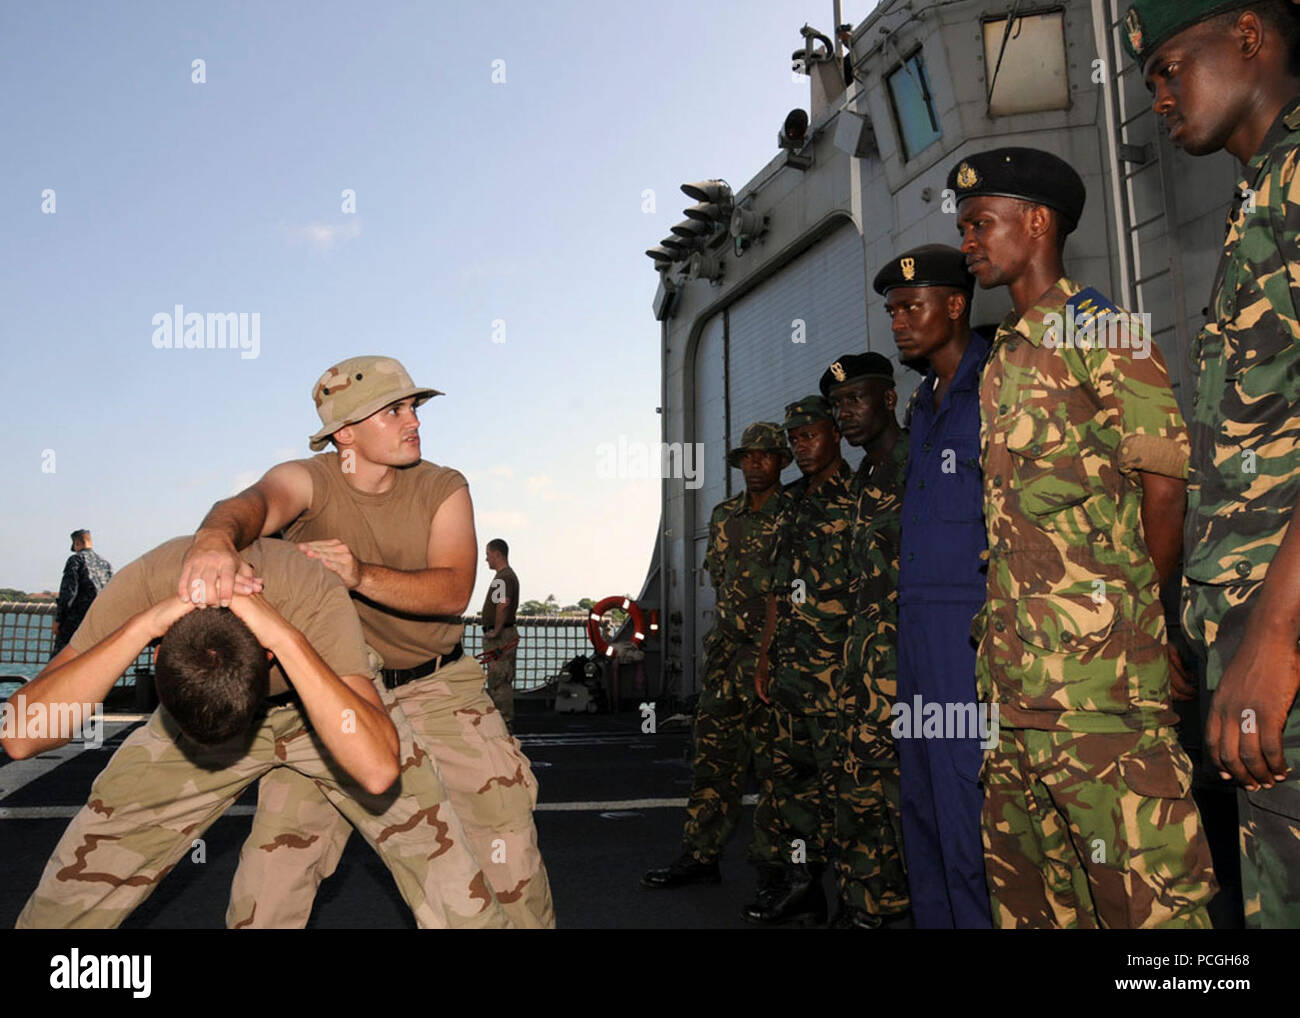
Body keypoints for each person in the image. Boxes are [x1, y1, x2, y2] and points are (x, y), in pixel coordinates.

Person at [178, 355, 554, 929]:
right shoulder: (308, 480)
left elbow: (454, 589)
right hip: (339, 697)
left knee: (507, 853)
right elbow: (254, 503)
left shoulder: (442, 486)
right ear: (345, 433)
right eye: (394, 409)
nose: (414, 421)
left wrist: (359, 574)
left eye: (413, 407)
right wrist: (213, 541)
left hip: (436, 687)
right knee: (272, 877)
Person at [951, 145, 1217, 927]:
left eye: (980, 223)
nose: (968, 240)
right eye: (963, 226)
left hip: (1101, 697)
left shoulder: (1106, 333)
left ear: (1036, 223)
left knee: (1150, 912)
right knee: (1037, 909)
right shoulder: (1003, 357)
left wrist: (1147, 622)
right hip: (1014, 697)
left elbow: (1164, 491)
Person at [9, 536, 507, 929]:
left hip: (320, 698)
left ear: (270, 660)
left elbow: (378, 770)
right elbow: (20, 735)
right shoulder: (149, 580)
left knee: (449, 876)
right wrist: (141, 627)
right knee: (76, 888)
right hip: (198, 708)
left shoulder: (309, 592)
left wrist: (285, 636)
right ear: (159, 655)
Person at [1126, 0, 1300, 927]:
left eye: (1168, 66)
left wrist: (1275, 638)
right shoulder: (1260, 193)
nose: (1159, 96)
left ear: (1245, 35)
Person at [873, 245, 993, 928]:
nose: (898, 322)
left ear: (954, 305)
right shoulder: (924, 403)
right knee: (918, 800)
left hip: (967, 630)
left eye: (911, 307)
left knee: (966, 805)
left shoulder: (999, 383)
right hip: (914, 632)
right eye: (891, 311)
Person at [641, 422, 791, 894]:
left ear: (781, 461)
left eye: (764, 456)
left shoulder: (797, 515)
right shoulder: (724, 516)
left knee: (776, 770)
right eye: (747, 457)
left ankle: (775, 872)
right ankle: (700, 856)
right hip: (727, 660)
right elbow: (723, 587)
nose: (754, 464)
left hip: (777, 660)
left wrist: (769, 654)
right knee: (714, 764)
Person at [744, 396, 854, 927]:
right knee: (792, 793)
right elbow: (774, 590)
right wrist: (764, 656)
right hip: (789, 672)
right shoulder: (787, 504)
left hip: (838, 676)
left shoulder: (860, 497)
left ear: (834, 433)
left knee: (848, 794)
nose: (802, 446)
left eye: (810, 435)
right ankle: (803, 888)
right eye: (795, 439)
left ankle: (858, 904)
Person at [822, 353, 912, 928]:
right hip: (861, 678)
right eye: (838, 405)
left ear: (888, 399)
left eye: (856, 399)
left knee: (917, 809)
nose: (845, 414)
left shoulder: (920, 463)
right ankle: (870, 910)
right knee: (858, 803)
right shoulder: (859, 483)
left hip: (914, 675)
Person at [52, 529, 112, 655]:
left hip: (75, 622)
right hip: (98, 622)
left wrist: (58, 620)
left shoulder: (76, 560)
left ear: (76, 543)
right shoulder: (106, 564)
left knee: (60, 662)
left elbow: (68, 592)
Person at [481, 538, 520, 727]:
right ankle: (503, 722)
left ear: (497, 554)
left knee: (499, 680)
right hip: (505, 634)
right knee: (501, 678)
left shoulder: (503, 578)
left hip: (500, 636)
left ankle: (504, 723)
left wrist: (496, 631)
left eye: (488, 555)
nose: (486, 559)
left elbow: (502, 605)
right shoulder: (505, 577)